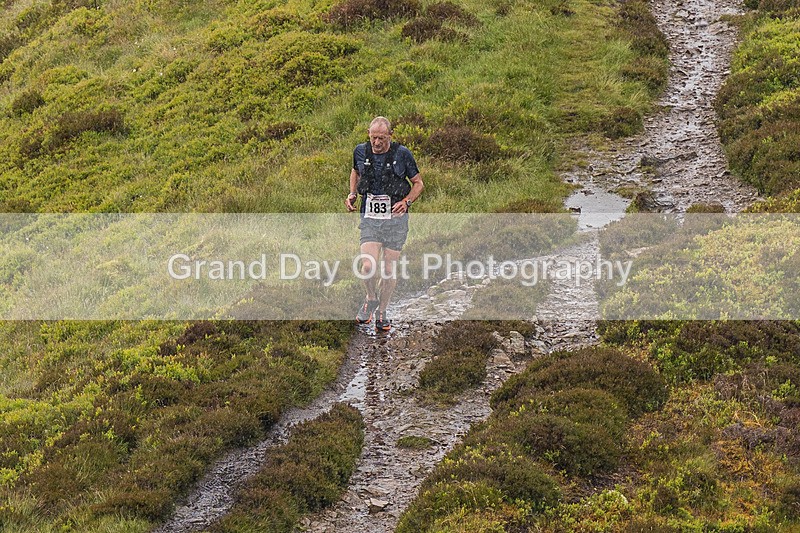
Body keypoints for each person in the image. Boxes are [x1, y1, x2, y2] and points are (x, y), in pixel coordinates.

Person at [345, 116, 424, 331]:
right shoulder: (360, 151)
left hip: (395, 221)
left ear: (390, 135)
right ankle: (371, 297)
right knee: (367, 266)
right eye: (373, 138)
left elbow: (418, 183)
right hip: (370, 218)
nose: (376, 142)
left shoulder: (402, 154)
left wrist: (406, 202)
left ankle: (382, 312)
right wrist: (352, 194)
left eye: (381, 138)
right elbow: (355, 171)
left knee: (389, 270)